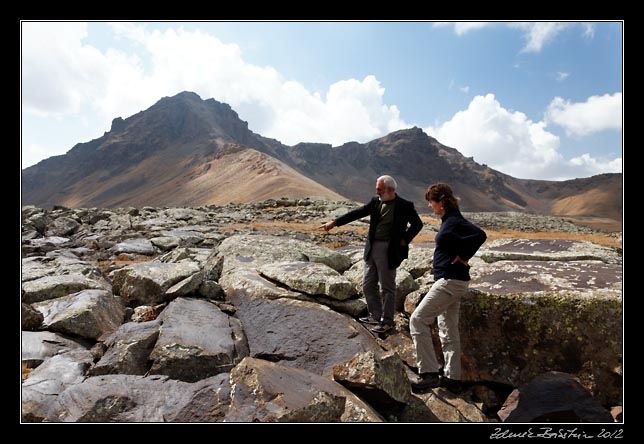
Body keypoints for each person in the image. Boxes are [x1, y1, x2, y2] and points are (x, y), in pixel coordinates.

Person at [320, 175, 423, 333]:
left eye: (380, 190)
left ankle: (387, 322)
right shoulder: (376, 201)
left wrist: (405, 239)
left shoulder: (404, 205)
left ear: (389, 190)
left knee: (387, 287)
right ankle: (376, 315)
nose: (377, 192)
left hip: (389, 250)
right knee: (368, 284)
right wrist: (334, 222)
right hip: (371, 248)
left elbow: (417, 224)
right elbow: (357, 213)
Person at [410, 183, 486, 394]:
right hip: (453, 280)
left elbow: (480, 235)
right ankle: (453, 379)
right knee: (448, 330)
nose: (429, 205)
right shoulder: (449, 220)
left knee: (418, 319)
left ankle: (428, 374)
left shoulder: (455, 220)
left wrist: (463, 257)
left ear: (442, 202)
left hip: (450, 280)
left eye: (432, 201)